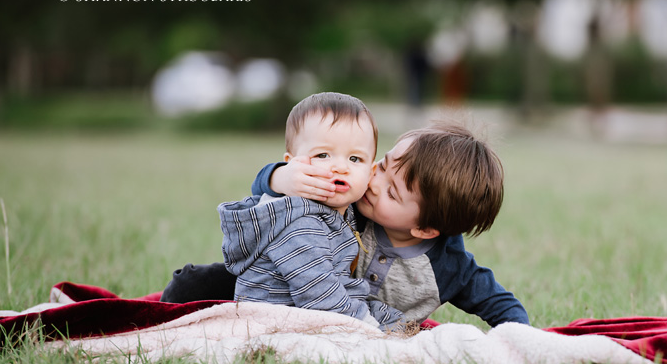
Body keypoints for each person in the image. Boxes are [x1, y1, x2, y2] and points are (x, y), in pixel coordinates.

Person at [162, 121, 529, 328]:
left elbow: (501, 304)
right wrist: (281, 177)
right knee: (194, 283)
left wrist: (519, 338)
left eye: (392, 192)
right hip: (282, 287)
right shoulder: (349, 201)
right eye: (382, 165)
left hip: (359, 325)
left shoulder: (449, 269)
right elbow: (267, 193)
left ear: (425, 230)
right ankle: (163, 318)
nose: (373, 182)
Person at [216, 91, 402, 329]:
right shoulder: (298, 222)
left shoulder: (346, 210)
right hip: (273, 320)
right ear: (291, 164)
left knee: (398, 321)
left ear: (370, 172)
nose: (340, 167)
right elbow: (319, 295)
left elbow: (341, 287)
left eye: (355, 159)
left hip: (321, 307)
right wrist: (368, 326)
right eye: (323, 155)